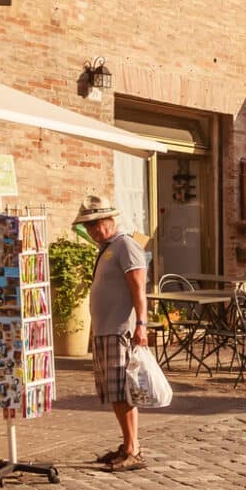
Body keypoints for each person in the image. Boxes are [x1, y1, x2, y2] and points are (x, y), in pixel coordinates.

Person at [80, 196, 152, 472]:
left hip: (119, 330)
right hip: (104, 329)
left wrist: (141, 325)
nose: (94, 230)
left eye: (97, 224)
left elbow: (138, 290)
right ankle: (126, 444)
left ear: (110, 220)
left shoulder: (126, 246)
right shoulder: (107, 248)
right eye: (89, 226)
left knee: (123, 390)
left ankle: (133, 448)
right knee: (114, 391)